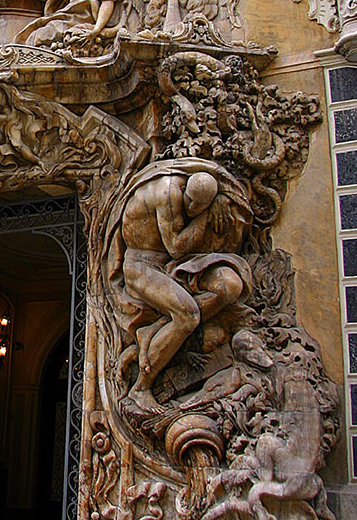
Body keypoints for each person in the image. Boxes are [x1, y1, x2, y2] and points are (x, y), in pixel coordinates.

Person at [108, 160, 252, 412]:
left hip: (176, 264)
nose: (192, 209)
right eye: (191, 203)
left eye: (199, 206)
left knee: (230, 285)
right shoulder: (168, 192)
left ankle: (155, 330)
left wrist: (219, 202)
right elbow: (176, 247)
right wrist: (206, 214)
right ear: (185, 188)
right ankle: (141, 387)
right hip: (143, 266)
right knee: (188, 316)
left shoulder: (190, 188)